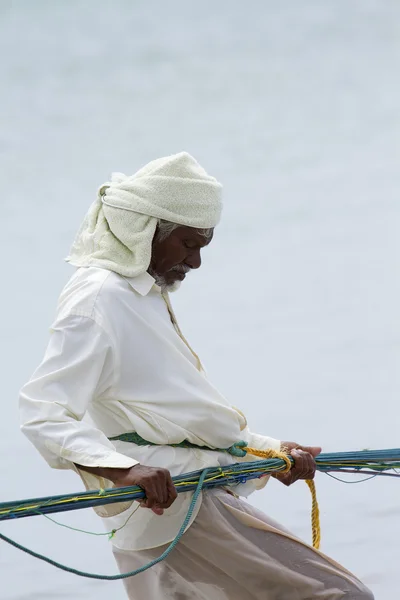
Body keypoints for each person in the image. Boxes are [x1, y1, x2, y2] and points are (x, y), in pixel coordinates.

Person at [19, 152, 373, 599]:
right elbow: (42, 413)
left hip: (172, 508)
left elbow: (176, 417)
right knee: (339, 594)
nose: (197, 263)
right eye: (189, 245)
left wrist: (268, 453)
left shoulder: (141, 290)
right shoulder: (99, 299)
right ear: (145, 230)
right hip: (176, 505)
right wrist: (124, 470)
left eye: (203, 246)